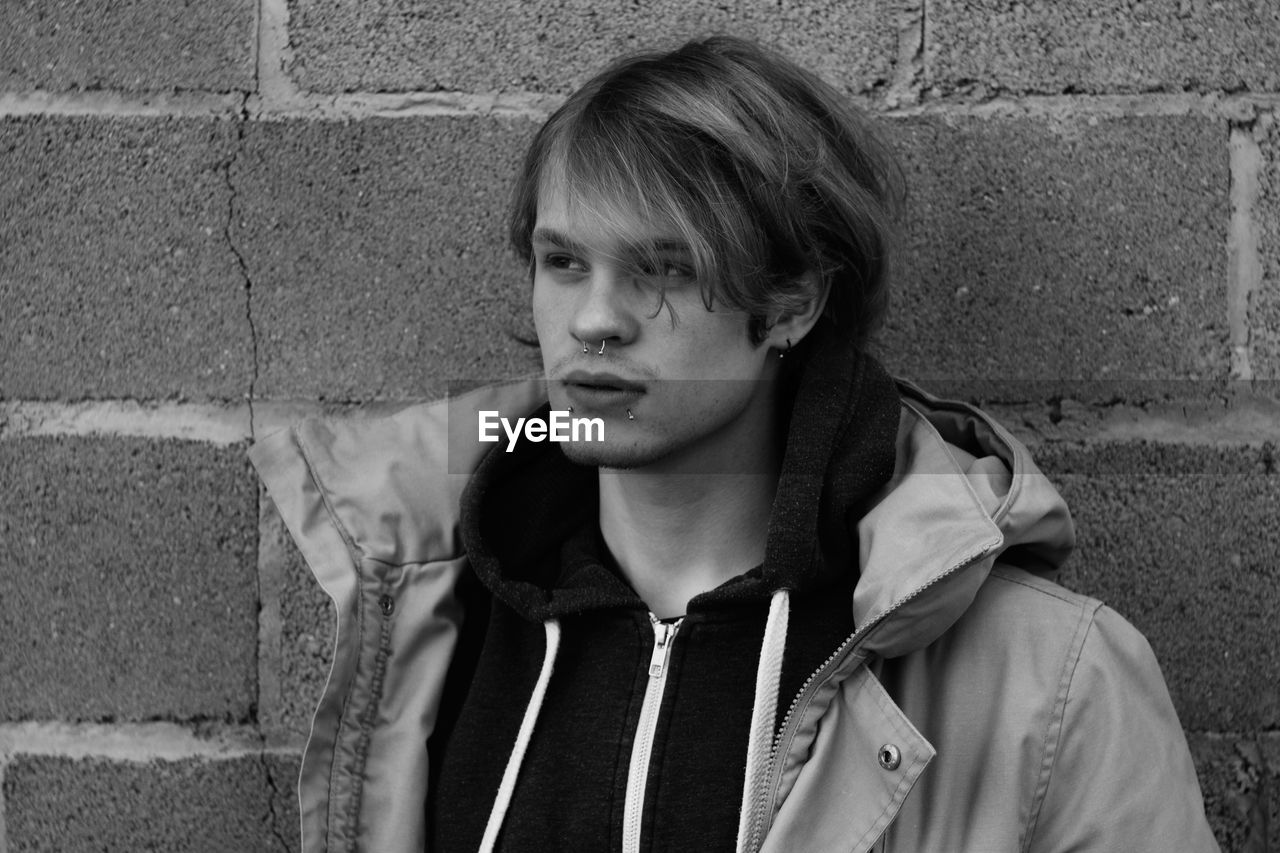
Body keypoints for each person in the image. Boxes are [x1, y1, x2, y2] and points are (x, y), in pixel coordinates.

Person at [251, 35, 1220, 853]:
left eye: (663, 267)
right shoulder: (423, 603)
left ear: (790, 303)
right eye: (561, 261)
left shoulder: (1049, 675)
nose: (593, 318)